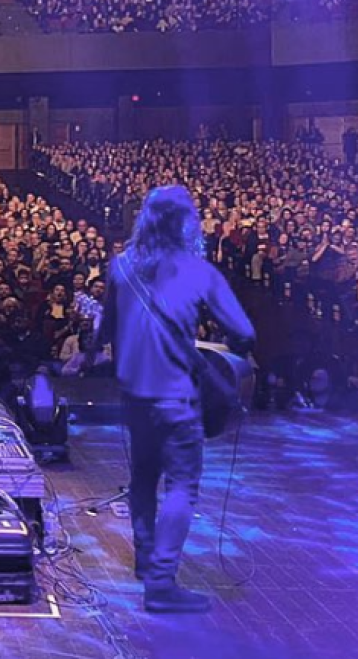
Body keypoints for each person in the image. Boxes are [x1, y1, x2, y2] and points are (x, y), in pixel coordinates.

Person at [87, 186, 255, 614]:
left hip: (134, 397)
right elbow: (245, 332)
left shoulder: (121, 266)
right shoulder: (199, 272)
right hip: (177, 398)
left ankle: (146, 561)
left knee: (143, 479)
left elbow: (104, 331)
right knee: (183, 485)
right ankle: (161, 583)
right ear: (187, 223)